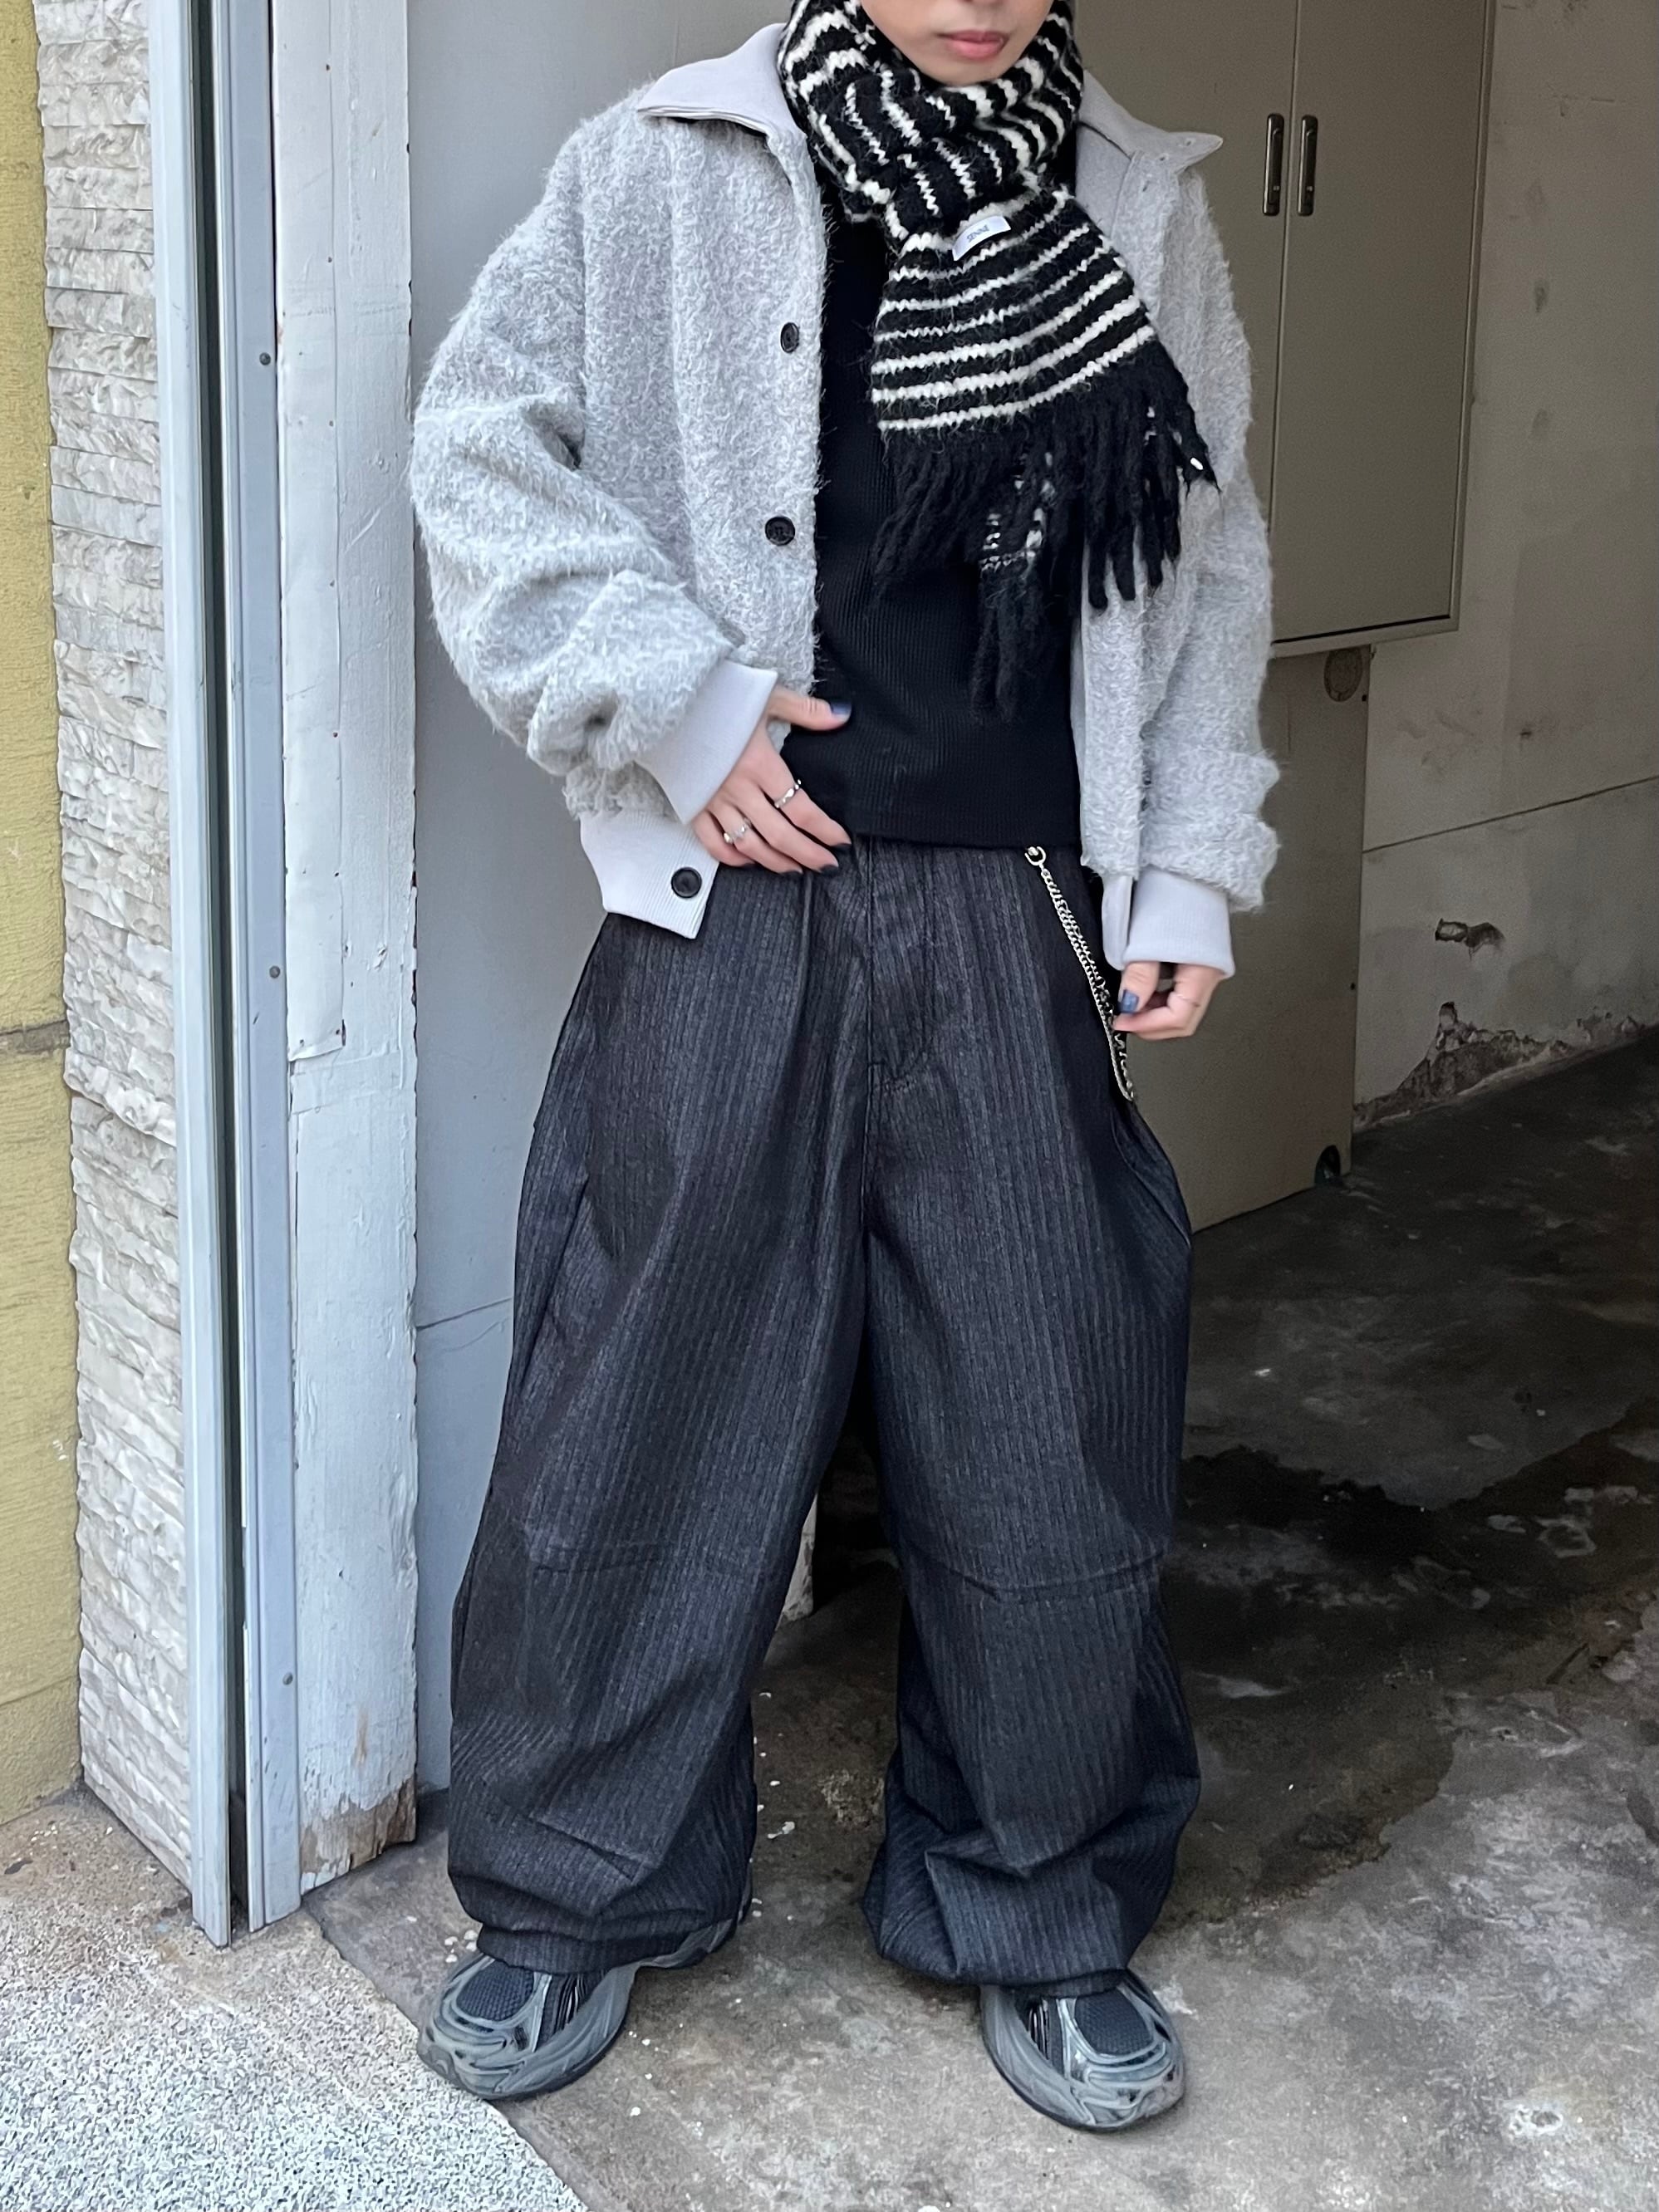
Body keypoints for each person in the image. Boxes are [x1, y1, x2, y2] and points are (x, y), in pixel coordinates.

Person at [409, 0, 1274, 2133]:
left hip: (1023, 914)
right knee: (645, 1409)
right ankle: (576, 1891)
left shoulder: (1136, 200)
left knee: (1048, 1428)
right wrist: (672, 700)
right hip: (734, 905)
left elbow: (1209, 553)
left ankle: (1038, 1903)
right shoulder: (663, 164)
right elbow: (479, 449)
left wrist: (1189, 858)